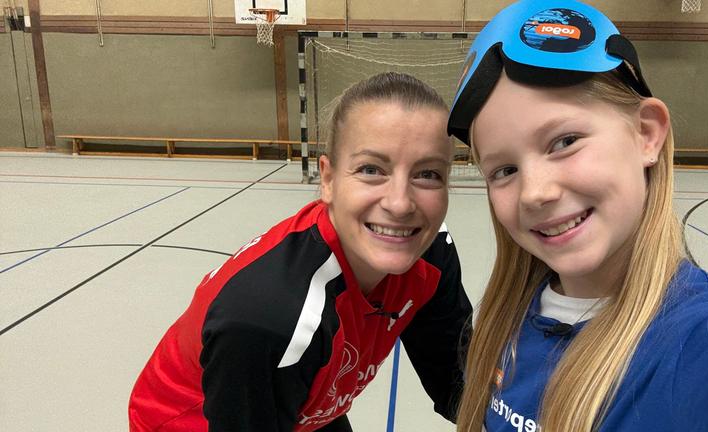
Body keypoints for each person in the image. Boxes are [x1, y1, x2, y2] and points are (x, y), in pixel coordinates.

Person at [446, 1, 708, 431]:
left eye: (564, 141)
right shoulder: (509, 318)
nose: (535, 192)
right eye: (504, 171)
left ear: (646, 134)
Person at [129, 72, 472, 431]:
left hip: (304, 403)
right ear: (328, 180)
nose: (401, 204)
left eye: (429, 174)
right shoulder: (269, 319)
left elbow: (460, 384)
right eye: (371, 170)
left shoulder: (429, 253)